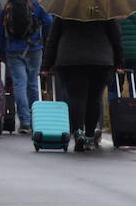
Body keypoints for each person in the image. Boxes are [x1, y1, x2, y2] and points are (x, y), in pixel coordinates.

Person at [45, 15, 124, 151]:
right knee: (94, 97)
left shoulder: (65, 10)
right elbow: (116, 39)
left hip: (71, 58)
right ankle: (89, 136)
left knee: (76, 97)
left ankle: (78, 132)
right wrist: (119, 63)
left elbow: (53, 39)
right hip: (100, 59)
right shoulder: (105, 11)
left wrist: (46, 65)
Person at [0, 0, 54, 134]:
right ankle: (35, 119)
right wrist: (46, 44)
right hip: (34, 47)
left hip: (13, 48)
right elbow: (48, 22)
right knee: (33, 83)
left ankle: (24, 121)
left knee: (19, 83)